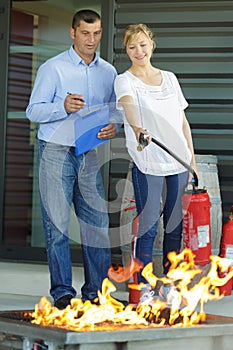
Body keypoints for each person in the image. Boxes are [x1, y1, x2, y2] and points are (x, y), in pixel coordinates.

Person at [26, 9, 120, 309]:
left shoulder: (109, 72)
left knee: (97, 225)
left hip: (89, 154)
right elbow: (33, 111)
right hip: (55, 152)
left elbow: (115, 111)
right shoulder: (53, 69)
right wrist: (62, 107)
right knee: (58, 227)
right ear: (73, 33)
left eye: (96, 33)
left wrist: (113, 127)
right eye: (84, 33)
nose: (91, 39)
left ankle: (96, 293)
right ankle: (63, 294)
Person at [114, 23, 199, 302]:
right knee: (148, 227)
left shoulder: (170, 78)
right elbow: (128, 106)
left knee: (174, 227)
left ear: (151, 45)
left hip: (177, 162)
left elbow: (182, 122)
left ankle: (171, 286)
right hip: (148, 161)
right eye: (131, 46)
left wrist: (192, 160)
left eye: (142, 44)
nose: (138, 51)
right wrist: (138, 128)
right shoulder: (124, 80)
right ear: (126, 50)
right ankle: (146, 289)